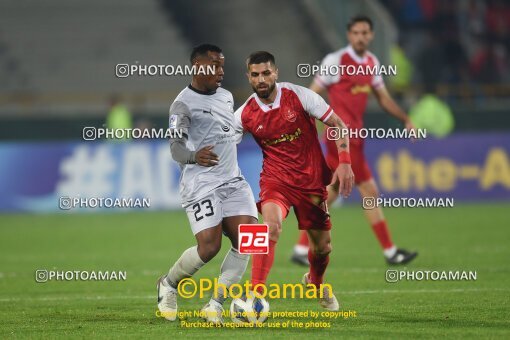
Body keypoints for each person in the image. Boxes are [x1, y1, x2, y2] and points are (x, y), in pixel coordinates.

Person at [291, 15, 418, 266]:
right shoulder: (336, 61)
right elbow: (311, 94)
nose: (361, 37)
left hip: (357, 138)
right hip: (340, 137)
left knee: (333, 193)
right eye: (356, 33)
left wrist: (405, 119)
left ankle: (300, 246)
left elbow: (383, 98)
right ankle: (391, 252)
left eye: (365, 33)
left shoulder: (372, 62)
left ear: (371, 35)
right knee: (369, 191)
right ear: (349, 35)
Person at [234, 51, 354, 311]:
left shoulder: (299, 96)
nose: (261, 79)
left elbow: (338, 124)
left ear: (275, 73)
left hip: (311, 184)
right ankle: (255, 295)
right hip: (275, 181)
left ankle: (315, 282)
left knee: (323, 248)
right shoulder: (244, 113)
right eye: (255, 75)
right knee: (270, 227)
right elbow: (223, 146)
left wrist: (344, 161)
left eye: (266, 73)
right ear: (249, 78)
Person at [157, 44, 258, 324]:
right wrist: (193, 156)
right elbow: (175, 149)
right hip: (201, 184)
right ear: (197, 66)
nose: (220, 71)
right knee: (209, 247)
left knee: (250, 240)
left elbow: (229, 131)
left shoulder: (226, 97)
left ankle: (215, 305)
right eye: (214, 64)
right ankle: (168, 284)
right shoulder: (182, 104)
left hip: (233, 181)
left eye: (222, 65)